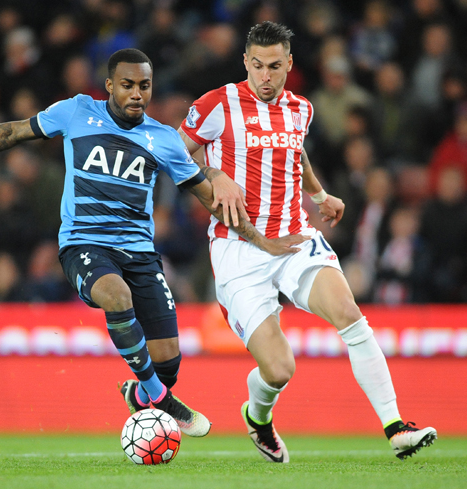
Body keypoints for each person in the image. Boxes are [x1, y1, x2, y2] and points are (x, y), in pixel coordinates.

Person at [0, 48, 303, 437]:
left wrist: (260, 241)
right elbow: (14, 131)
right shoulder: (77, 111)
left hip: (140, 253)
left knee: (168, 360)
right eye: (127, 85)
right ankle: (163, 400)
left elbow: (210, 198)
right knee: (116, 294)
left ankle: (144, 390)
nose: (136, 94)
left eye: (144, 86)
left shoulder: (163, 139)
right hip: (84, 244)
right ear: (109, 85)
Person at [177, 22, 437, 462]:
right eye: (257, 66)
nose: (265, 76)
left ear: (289, 64)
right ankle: (258, 417)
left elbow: (295, 151)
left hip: (294, 236)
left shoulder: (301, 109)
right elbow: (175, 151)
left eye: (274, 66)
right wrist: (215, 175)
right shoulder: (216, 104)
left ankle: (396, 427)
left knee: (350, 315)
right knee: (279, 370)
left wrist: (318, 195)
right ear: (245, 62)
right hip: (238, 249)